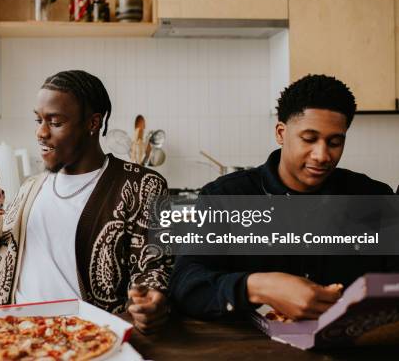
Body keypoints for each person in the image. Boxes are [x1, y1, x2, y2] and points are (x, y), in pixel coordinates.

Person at [170, 74, 398, 320]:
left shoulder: (373, 197)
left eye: (334, 142)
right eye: (309, 139)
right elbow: (185, 286)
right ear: (281, 133)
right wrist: (259, 287)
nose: (322, 155)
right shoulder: (227, 197)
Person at [0, 70, 173, 333]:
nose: (40, 133)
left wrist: (151, 300)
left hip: (88, 338)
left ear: (92, 123)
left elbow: (155, 266)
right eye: (38, 120)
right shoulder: (30, 188)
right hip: (14, 335)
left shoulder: (142, 186)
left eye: (54, 122)